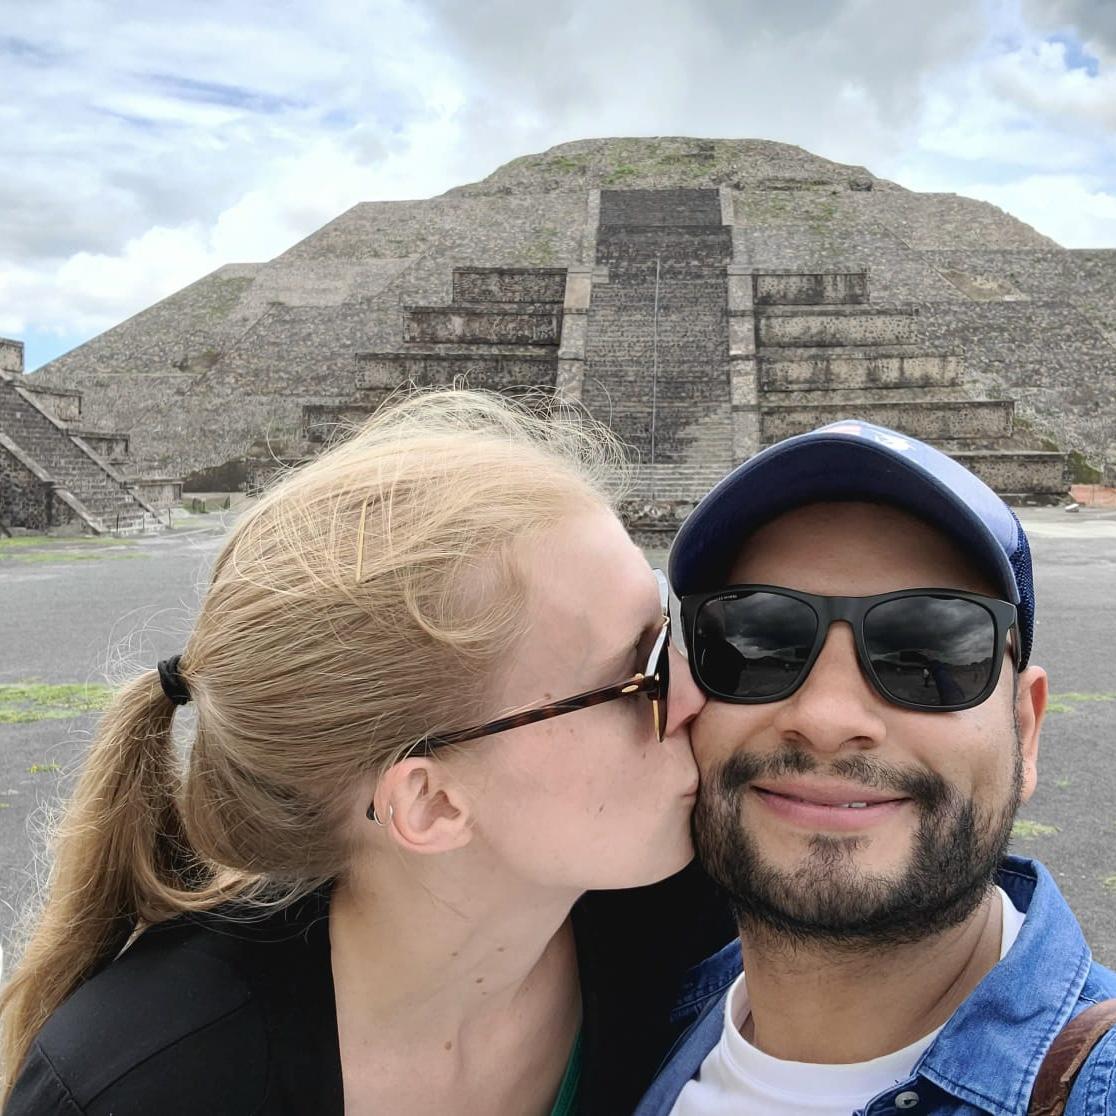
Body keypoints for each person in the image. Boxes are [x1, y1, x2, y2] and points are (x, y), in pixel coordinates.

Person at [0, 390, 733, 1116]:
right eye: (645, 672)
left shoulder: (692, 928)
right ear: (430, 802)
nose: (700, 695)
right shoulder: (145, 1087)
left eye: (671, 626)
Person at [636, 420, 1116, 1116]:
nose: (828, 718)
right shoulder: (626, 1020)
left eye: (928, 654)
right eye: (757, 642)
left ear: (1025, 731)